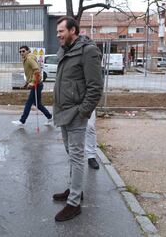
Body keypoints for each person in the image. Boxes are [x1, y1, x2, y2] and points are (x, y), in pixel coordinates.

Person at [51, 17, 103, 221]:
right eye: (57, 32)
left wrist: (84, 112)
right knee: (71, 155)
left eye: (61, 31)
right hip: (63, 112)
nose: (58, 35)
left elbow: (96, 87)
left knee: (76, 157)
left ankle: (74, 204)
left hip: (76, 114)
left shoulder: (87, 51)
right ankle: (75, 189)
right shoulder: (66, 50)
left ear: (74, 30)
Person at [11, 45, 52, 127]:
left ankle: (22, 121)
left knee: (29, 103)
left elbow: (36, 70)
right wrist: (26, 84)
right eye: (20, 52)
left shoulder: (29, 59)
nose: (21, 53)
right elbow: (29, 73)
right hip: (37, 83)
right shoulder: (26, 59)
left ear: (28, 51)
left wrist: (33, 82)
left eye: (23, 51)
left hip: (37, 84)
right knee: (38, 104)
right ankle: (50, 117)